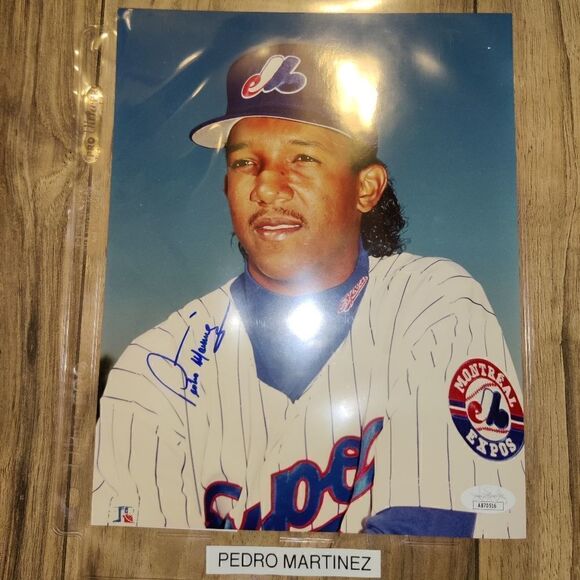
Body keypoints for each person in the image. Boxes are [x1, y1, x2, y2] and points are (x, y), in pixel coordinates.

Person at [92, 42, 525, 537]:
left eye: (302, 157)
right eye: (244, 163)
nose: (266, 188)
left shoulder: (433, 303)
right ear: (226, 187)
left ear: (366, 187)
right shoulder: (155, 368)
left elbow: (437, 547)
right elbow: (135, 560)